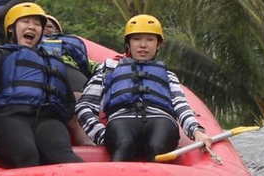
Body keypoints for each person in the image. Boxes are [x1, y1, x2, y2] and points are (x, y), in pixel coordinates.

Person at [75, 14, 212, 162]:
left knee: (157, 147)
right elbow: (85, 106)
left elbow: (181, 106)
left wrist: (196, 131)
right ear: (128, 43)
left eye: (150, 39)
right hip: (121, 120)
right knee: (124, 145)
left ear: (159, 44)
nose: (143, 45)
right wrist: (101, 134)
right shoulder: (109, 69)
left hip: (161, 120)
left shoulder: (168, 75)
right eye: (137, 39)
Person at [0, 2, 84, 168]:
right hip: (8, 117)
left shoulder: (54, 62)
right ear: (12, 28)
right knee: (27, 155)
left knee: (64, 156)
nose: (32, 27)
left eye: (37, 24)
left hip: (47, 119)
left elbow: (68, 102)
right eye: (25, 22)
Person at [38, 14, 95, 145]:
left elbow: (89, 65)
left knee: (79, 98)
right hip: (45, 73)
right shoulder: (28, 45)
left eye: (50, 26)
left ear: (58, 31)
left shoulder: (68, 49)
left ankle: (87, 136)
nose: (45, 28)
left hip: (70, 71)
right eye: (42, 25)